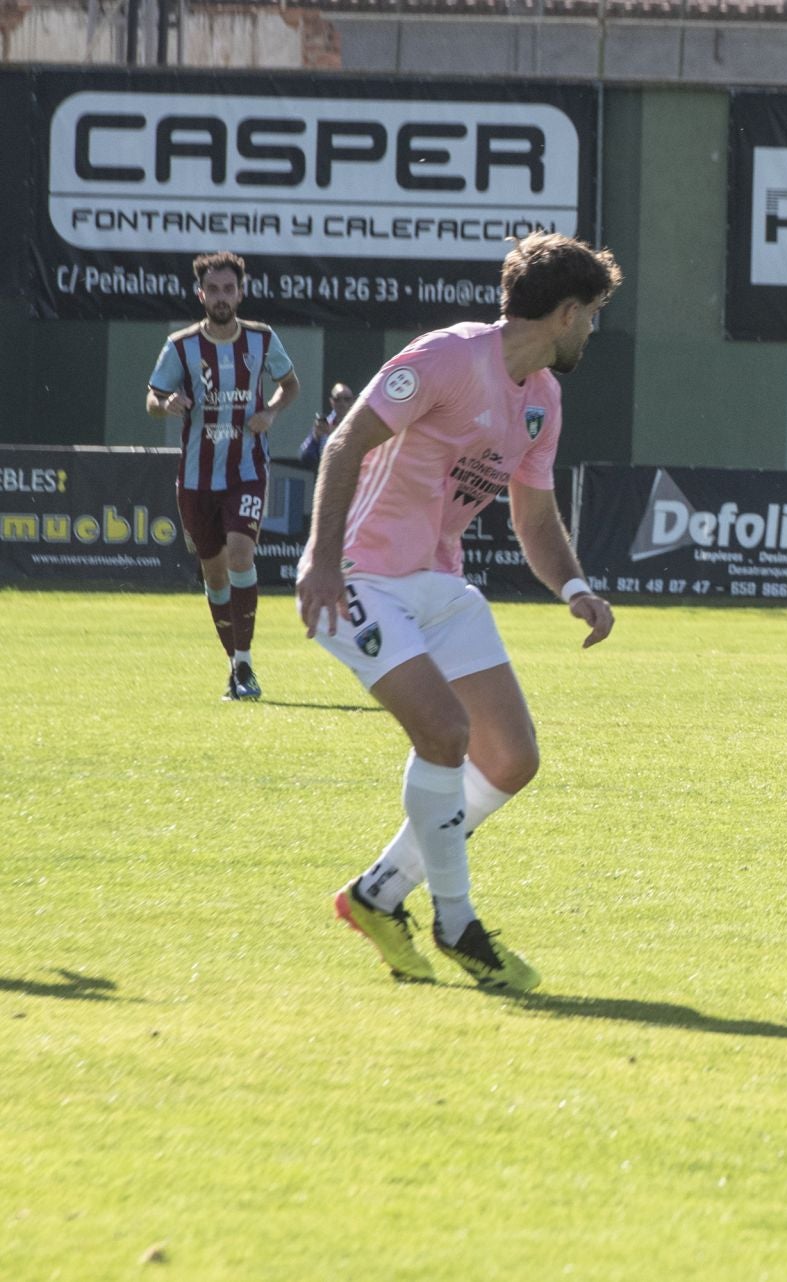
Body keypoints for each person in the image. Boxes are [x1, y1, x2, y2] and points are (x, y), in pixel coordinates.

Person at [296, 232, 621, 994]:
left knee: (511, 758)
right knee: (444, 732)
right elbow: (345, 444)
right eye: (594, 315)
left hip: (439, 585)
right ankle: (457, 925)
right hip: (360, 576)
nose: (594, 331)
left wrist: (574, 588)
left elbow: (534, 520)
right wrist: (319, 557)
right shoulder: (446, 357)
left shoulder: (542, 397)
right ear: (567, 312)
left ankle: (375, 895)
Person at [145, 251, 300, 701]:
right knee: (214, 576)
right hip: (195, 480)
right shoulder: (181, 346)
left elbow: (290, 385)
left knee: (239, 556)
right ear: (201, 294)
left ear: (241, 292)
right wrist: (167, 404)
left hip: (246, 470)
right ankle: (236, 668)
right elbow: (152, 398)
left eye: (228, 289)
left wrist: (270, 412)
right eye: (212, 289)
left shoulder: (262, 340)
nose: (221, 297)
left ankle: (247, 661)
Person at [300, 381, 357, 470]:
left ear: (353, 401)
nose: (342, 403)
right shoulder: (324, 424)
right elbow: (305, 458)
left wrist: (334, 433)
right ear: (331, 401)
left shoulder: (358, 424)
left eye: (347, 399)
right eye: (337, 399)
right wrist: (315, 438)